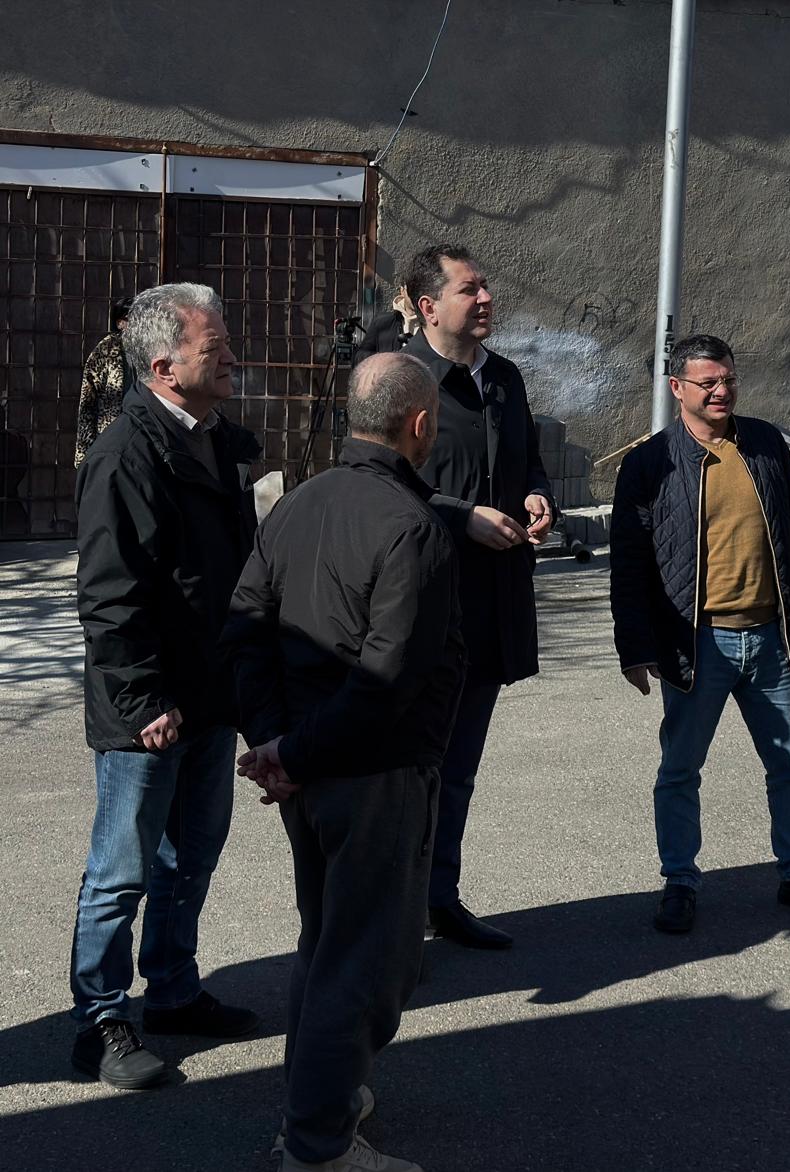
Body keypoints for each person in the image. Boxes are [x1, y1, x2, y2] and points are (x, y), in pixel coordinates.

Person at [224, 351, 465, 1172]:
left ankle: (319, 1102)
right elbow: (386, 680)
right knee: (366, 964)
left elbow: (246, 631)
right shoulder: (414, 529)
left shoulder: (297, 504)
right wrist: (286, 750)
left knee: (328, 946)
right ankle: (319, 1144)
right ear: (420, 424)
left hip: (309, 771)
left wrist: (275, 745)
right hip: (373, 776)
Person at [69, 282, 261, 1089]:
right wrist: (145, 698)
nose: (233, 358)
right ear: (163, 366)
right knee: (122, 870)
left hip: (210, 694)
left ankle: (174, 991)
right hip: (148, 708)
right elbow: (109, 596)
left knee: (191, 859)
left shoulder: (216, 442)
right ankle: (100, 1022)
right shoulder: (125, 455)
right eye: (215, 348)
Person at [610, 333, 790, 934]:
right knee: (680, 770)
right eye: (708, 383)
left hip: (772, 638)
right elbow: (630, 564)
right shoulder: (649, 463)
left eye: (729, 380)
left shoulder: (765, 444)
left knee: (789, 764)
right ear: (677, 388)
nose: (722, 391)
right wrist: (635, 647)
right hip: (697, 644)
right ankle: (680, 881)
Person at [400, 243, 554, 950]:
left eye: (486, 285)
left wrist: (536, 496)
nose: (486, 298)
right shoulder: (400, 379)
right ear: (429, 306)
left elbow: (530, 462)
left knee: (459, 770)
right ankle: (400, 920)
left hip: (492, 607)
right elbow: (377, 480)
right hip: (425, 608)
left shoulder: (505, 378)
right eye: (470, 289)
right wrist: (462, 517)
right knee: (415, 774)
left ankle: (441, 899)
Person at [75, 296, 134, 466]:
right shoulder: (107, 349)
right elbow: (88, 397)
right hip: (113, 429)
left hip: (143, 427)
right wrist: (84, 451)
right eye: (131, 319)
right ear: (120, 323)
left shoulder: (151, 349)